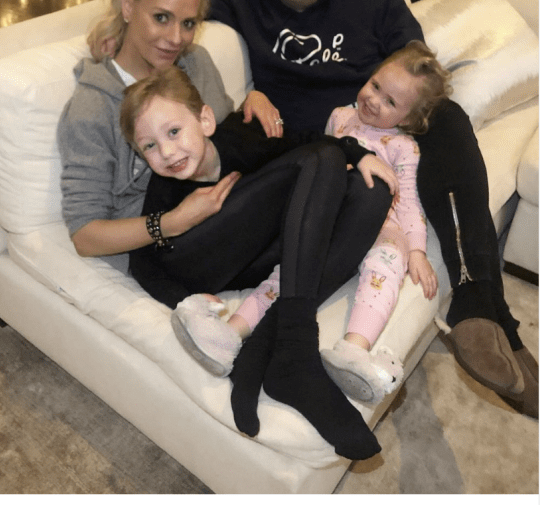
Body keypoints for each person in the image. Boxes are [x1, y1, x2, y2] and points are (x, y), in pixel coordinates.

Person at [206, 0, 538, 419]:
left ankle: (477, 302)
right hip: (319, 152)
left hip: (386, 137)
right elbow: (172, 2)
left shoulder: (374, 1)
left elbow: (419, 77)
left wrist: (388, 117)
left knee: (447, 116)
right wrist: (244, 90)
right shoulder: (242, 0)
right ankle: (506, 333)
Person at [118, 66, 400, 459]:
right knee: (322, 157)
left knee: (371, 190)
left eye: (174, 132)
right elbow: (142, 262)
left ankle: (269, 342)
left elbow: (305, 141)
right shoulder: (165, 189)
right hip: (199, 261)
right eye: (149, 146)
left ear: (205, 120)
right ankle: (296, 350)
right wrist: (183, 297)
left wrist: (361, 154)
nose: (166, 152)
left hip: (256, 258)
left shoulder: (239, 135)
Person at [171, 42, 447, 407]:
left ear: (408, 120)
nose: (373, 100)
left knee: (384, 269)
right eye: (375, 85)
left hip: (384, 226)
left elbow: (410, 202)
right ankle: (229, 336)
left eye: (390, 102)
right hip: (333, 217)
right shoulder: (339, 117)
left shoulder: (404, 147)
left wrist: (417, 251)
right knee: (289, 273)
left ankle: (354, 349)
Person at [57, 0, 235, 278]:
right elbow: (85, 236)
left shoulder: (196, 63)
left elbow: (230, 140)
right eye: (161, 18)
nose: (176, 39)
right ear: (127, 7)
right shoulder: (93, 107)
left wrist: (254, 101)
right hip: (174, 253)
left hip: (234, 215)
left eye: (188, 24)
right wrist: (170, 223)